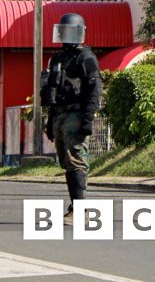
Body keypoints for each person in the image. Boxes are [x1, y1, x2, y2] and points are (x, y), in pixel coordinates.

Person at [41, 13, 101, 225]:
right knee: (66, 162)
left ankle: (80, 210)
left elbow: (94, 90)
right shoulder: (58, 59)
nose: (66, 36)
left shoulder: (86, 57)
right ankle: (74, 207)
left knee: (76, 160)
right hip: (59, 115)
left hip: (75, 114)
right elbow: (52, 92)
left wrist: (87, 119)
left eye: (70, 31)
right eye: (63, 31)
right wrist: (49, 122)